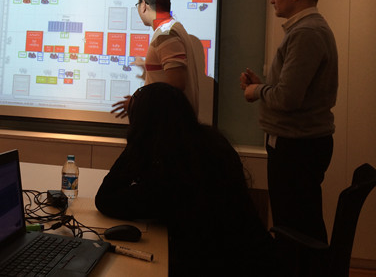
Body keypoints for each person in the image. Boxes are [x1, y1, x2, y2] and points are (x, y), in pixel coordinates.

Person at [96, 82, 279, 277]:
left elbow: (106, 199)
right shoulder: (210, 143)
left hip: (216, 267)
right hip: (255, 260)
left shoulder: (171, 172)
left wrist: (135, 143)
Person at [240, 0, 338, 273]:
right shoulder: (305, 30)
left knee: (296, 230)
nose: (272, 0)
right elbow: (291, 90)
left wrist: (257, 91)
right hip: (299, 144)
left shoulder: (306, 33)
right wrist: (263, 85)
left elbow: (288, 98)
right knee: (299, 226)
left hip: (297, 147)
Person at [111, 0, 200, 118]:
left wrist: (137, 102)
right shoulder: (174, 28)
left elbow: (176, 84)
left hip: (168, 126)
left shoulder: (166, 34)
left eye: (138, 5)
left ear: (143, 5)